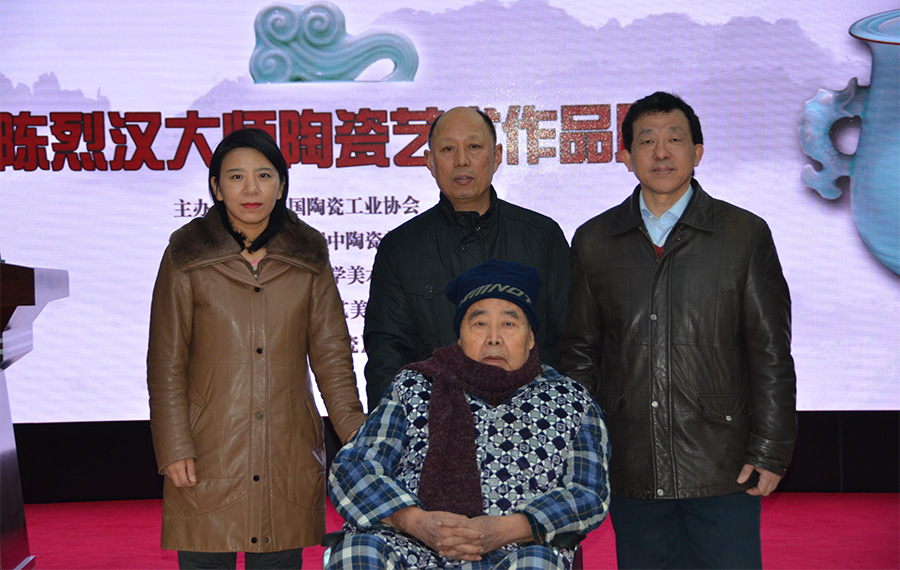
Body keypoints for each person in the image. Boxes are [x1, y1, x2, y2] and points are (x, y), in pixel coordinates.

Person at [560, 92, 797, 569]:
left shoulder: (743, 234)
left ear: (698, 152)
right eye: (646, 141)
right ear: (627, 157)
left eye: (675, 139)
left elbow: (770, 350)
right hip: (632, 461)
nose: (661, 152)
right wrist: (583, 448)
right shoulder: (595, 241)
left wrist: (772, 448)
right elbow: (580, 353)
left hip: (723, 462)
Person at [147, 128, 366, 569]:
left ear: (281, 185)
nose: (251, 189)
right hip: (208, 449)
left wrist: (357, 437)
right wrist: (173, 445)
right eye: (236, 177)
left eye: (264, 176)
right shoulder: (186, 255)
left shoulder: (308, 256)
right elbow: (166, 361)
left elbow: (331, 355)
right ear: (216, 187)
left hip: (287, 444)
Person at [328, 259, 610, 569]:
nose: (493, 338)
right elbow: (353, 466)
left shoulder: (569, 400)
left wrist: (510, 528)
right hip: (411, 546)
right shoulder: (414, 386)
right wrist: (413, 520)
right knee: (357, 552)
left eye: (509, 323)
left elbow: (588, 494)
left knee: (537, 564)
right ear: (460, 336)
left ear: (531, 338)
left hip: (517, 550)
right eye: (479, 324)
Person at [363, 106, 571, 410]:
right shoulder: (400, 247)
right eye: (448, 149)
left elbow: (567, 341)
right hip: (433, 420)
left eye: (474, 146)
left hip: (532, 419)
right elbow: (387, 352)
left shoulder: (542, 236)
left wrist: (561, 414)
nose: (461, 160)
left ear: (497, 156)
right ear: (430, 161)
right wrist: (395, 425)